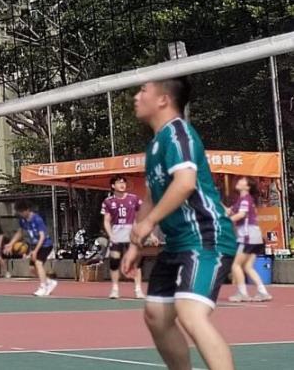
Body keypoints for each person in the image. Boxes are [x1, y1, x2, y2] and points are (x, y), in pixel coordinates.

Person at [122, 78, 237, 370]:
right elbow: (152, 196)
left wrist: (149, 222)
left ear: (163, 99)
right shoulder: (155, 144)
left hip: (206, 236)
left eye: (143, 91)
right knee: (156, 316)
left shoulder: (178, 133)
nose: (136, 97)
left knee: (190, 312)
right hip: (177, 243)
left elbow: (185, 183)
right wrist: (135, 244)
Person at [227, 177, 270, 303]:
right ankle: (263, 292)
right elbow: (229, 211)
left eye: (242, 181)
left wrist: (226, 221)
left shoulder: (245, 199)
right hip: (255, 237)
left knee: (236, 265)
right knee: (247, 266)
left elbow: (241, 214)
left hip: (247, 237)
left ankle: (242, 293)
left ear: (247, 187)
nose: (239, 182)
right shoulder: (243, 200)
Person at [102, 176, 145, 299]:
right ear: (113, 186)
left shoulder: (134, 198)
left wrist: (147, 233)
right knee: (114, 261)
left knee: (135, 262)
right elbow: (106, 221)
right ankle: (115, 289)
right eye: (119, 182)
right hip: (117, 233)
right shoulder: (108, 201)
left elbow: (142, 216)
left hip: (131, 233)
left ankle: (138, 289)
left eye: (123, 182)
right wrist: (111, 235)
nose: (122, 185)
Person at [8, 201, 56, 296]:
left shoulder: (37, 219)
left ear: (27, 210)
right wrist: (11, 243)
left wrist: (35, 251)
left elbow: (42, 236)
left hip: (45, 245)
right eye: (19, 212)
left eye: (22, 212)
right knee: (32, 269)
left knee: (38, 263)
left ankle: (43, 287)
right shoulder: (23, 220)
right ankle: (49, 282)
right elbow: (20, 232)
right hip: (35, 245)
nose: (21, 214)